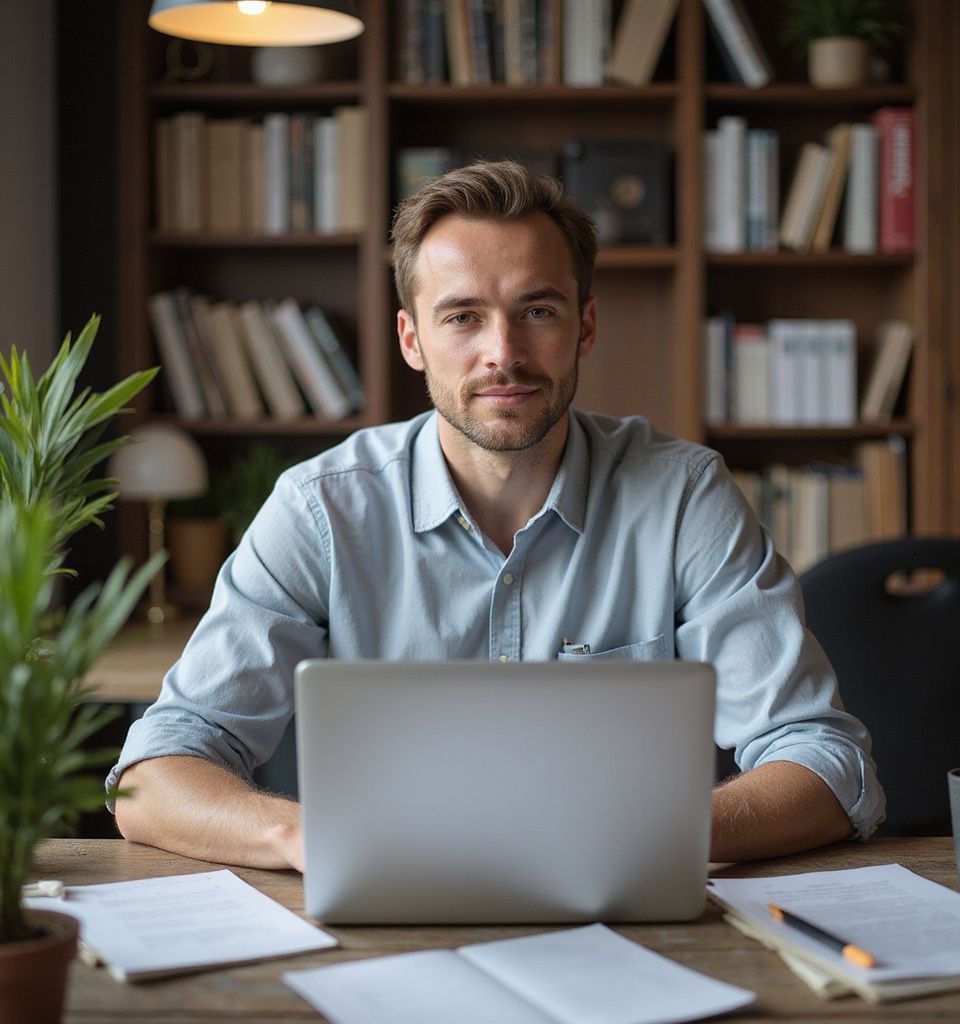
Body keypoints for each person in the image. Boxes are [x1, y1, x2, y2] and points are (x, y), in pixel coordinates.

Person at [110, 161, 884, 871]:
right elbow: (157, 771)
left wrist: (645, 834)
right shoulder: (320, 509)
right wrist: (308, 836)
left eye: (536, 310)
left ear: (583, 325)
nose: (502, 353)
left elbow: (825, 760)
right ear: (413, 339)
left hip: (627, 915)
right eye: (462, 317)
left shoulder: (683, 496)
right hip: (381, 912)